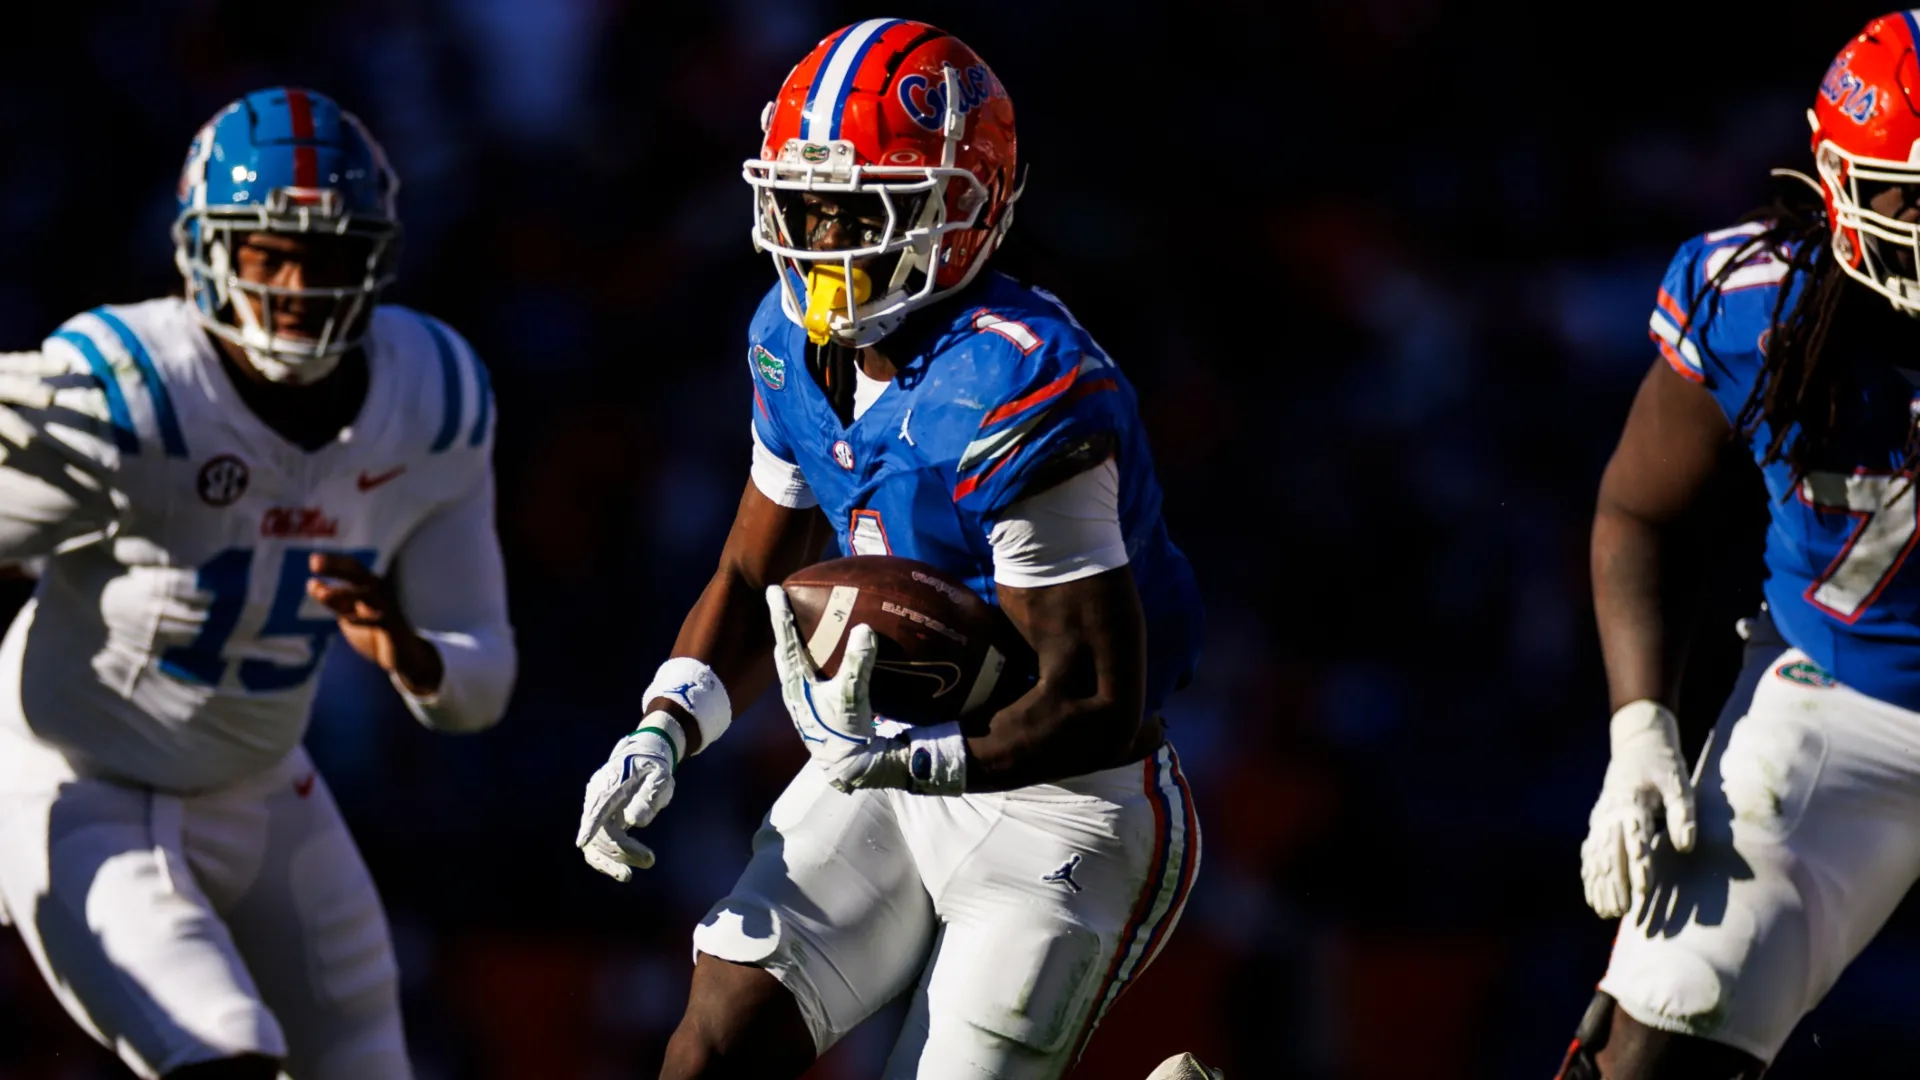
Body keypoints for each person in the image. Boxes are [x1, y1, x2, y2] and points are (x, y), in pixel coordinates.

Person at [575, 19, 1205, 1080]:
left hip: (1067, 801)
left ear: (961, 206)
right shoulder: (788, 342)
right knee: (710, 1051)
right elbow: (748, 570)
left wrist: (923, 756)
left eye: (854, 210)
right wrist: (664, 727)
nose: (818, 238)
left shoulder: (1019, 385)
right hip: (894, 759)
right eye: (803, 203)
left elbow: (1097, 690)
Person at [0, 87, 514, 1080]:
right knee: (221, 1050)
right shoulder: (131, 388)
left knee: (367, 1055)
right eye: (264, 252)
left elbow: (480, 676)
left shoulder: (435, 394)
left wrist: (412, 654)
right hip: (81, 775)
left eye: (323, 256)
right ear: (204, 251)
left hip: (267, 782)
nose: (293, 285)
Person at [1560, 13, 1920, 1078]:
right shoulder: (1758, 305)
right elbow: (1641, 512)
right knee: (1654, 1049)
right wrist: (1641, 733)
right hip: (1844, 701)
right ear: (1845, 182)